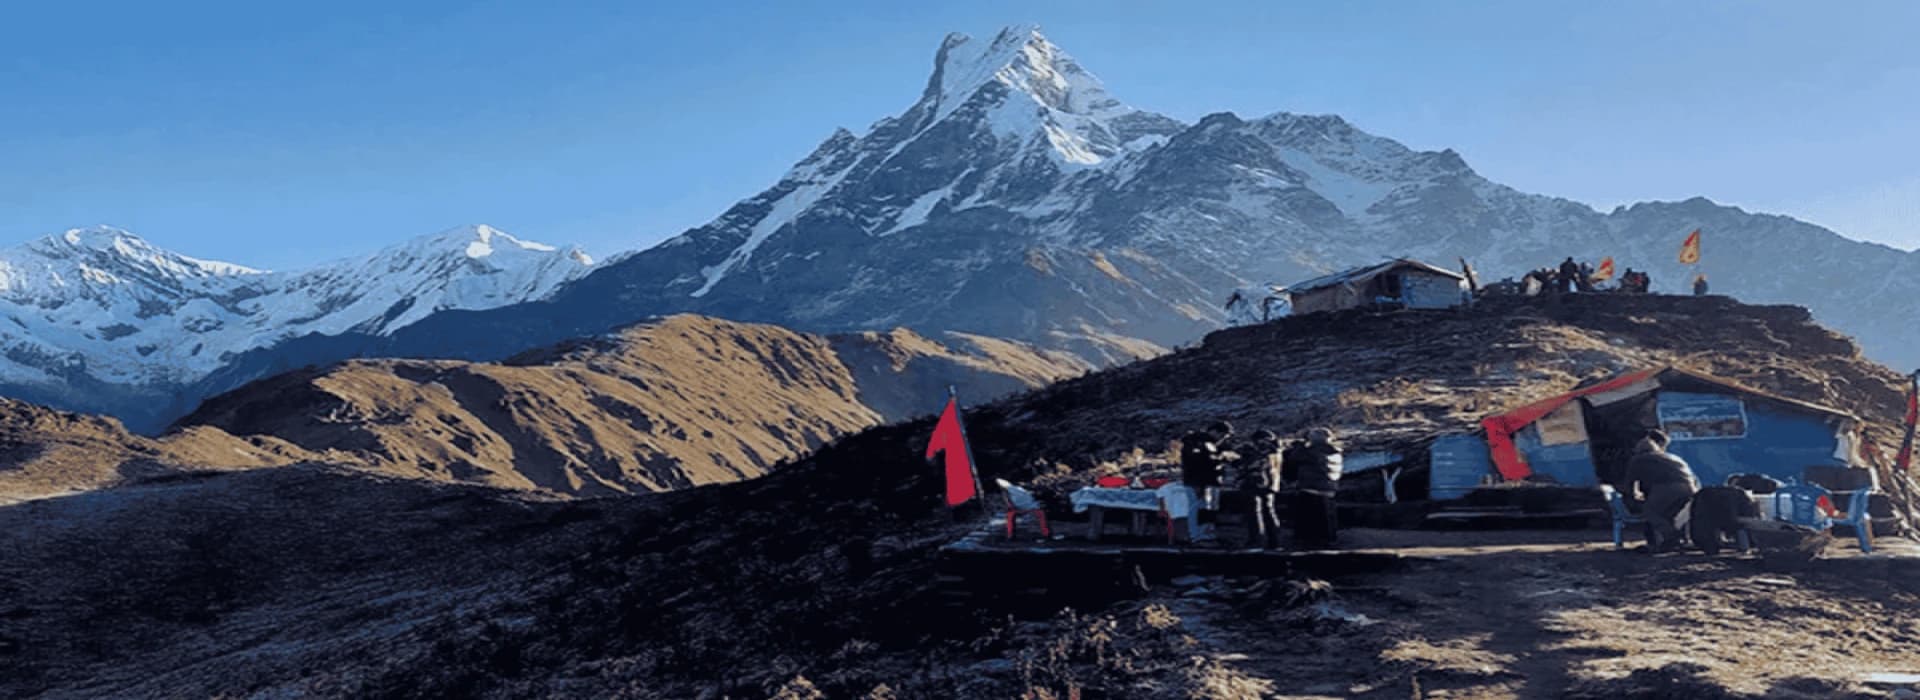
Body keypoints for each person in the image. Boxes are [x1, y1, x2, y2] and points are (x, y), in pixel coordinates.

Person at [1625, 429, 1698, 553]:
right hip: (1690, 487)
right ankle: (1678, 539)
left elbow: (1630, 483)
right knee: (1668, 514)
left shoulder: (1638, 460)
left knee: (1650, 511)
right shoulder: (1671, 456)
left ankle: (1672, 538)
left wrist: (1632, 497)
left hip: (1667, 487)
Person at [1178, 420, 1234, 540]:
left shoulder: (1214, 445)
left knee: (1208, 509)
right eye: (1222, 435)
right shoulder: (1195, 442)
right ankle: (1197, 535)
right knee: (1198, 509)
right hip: (1198, 482)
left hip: (1210, 481)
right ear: (1214, 431)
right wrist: (1219, 459)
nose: (1222, 439)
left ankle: (1207, 533)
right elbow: (1197, 462)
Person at [1291, 428, 1345, 548]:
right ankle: (1330, 540)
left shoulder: (1313, 451)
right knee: (1328, 518)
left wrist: (1301, 443)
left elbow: (1295, 457)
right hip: (1329, 487)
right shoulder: (1334, 452)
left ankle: (1312, 543)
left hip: (1313, 488)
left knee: (1311, 519)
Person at [1232, 430, 1285, 549]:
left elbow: (1249, 466)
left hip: (1254, 483)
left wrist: (1235, 461)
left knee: (1254, 513)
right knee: (1269, 512)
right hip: (1271, 484)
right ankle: (1275, 542)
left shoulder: (1262, 450)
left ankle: (1256, 541)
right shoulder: (1277, 450)